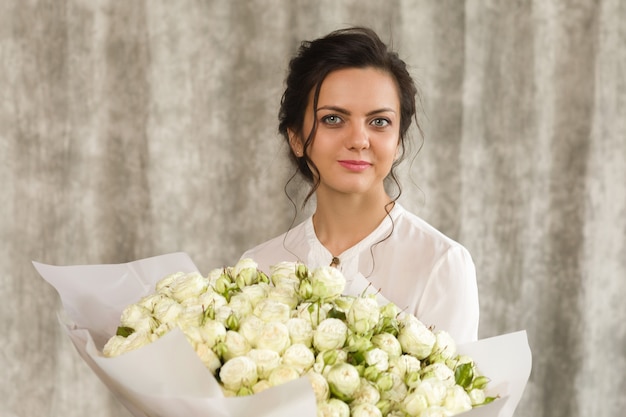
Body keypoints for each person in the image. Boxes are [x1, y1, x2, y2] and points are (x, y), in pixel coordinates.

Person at [241, 27, 479, 344]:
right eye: (333, 119)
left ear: (397, 143)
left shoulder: (440, 265)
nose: (358, 140)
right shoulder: (258, 268)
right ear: (296, 137)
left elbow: (454, 391)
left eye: (379, 122)